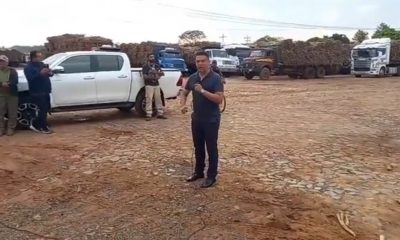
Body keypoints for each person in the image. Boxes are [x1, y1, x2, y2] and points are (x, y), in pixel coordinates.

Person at [180, 52, 224, 188]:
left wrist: (203, 91)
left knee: (211, 148)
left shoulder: (216, 78)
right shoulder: (193, 78)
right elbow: (184, 92)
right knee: (198, 147)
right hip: (197, 118)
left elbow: (219, 99)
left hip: (211, 119)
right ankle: (198, 172)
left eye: (203, 61)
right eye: (197, 61)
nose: (200, 64)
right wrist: (183, 104)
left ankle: (211, 176)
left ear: (209, 62)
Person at [24, 51, 53, 134]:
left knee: (46, 109)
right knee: (42, 109)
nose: (40, 57)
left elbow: (48, 74)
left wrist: (50, 72)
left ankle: (43, 124)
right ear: (33, 57)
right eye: (39, 56)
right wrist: (40, 73)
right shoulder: (28, 67)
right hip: (37, 91)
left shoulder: (41, 64)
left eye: (41, 56)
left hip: (46, 90)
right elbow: (30, 78)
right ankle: (39, 126)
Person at [142, 54, 166, 121]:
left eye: (153, 57)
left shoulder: (157, 66)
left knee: (158, 99)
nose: (152, 58)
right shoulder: (145, 67)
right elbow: (144, 77)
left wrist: (156, 73)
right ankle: (148, 114)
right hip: (149, 85)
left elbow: (162, 73)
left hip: (156, 84)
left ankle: (160, 113)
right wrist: (154, 76)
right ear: (148, 58)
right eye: (151, 57)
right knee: (149, 99)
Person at [0, 55, 19, 136]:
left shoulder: (13, 71)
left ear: (7, 62)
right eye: (0, 62)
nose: (1, 63)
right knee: (0, 113)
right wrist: (1, 84)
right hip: (0, 95)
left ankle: (10, 128)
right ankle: (1, 128)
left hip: (12, 95)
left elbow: (15, 81)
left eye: (3, 61)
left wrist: (8, 84)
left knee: (12, 112)